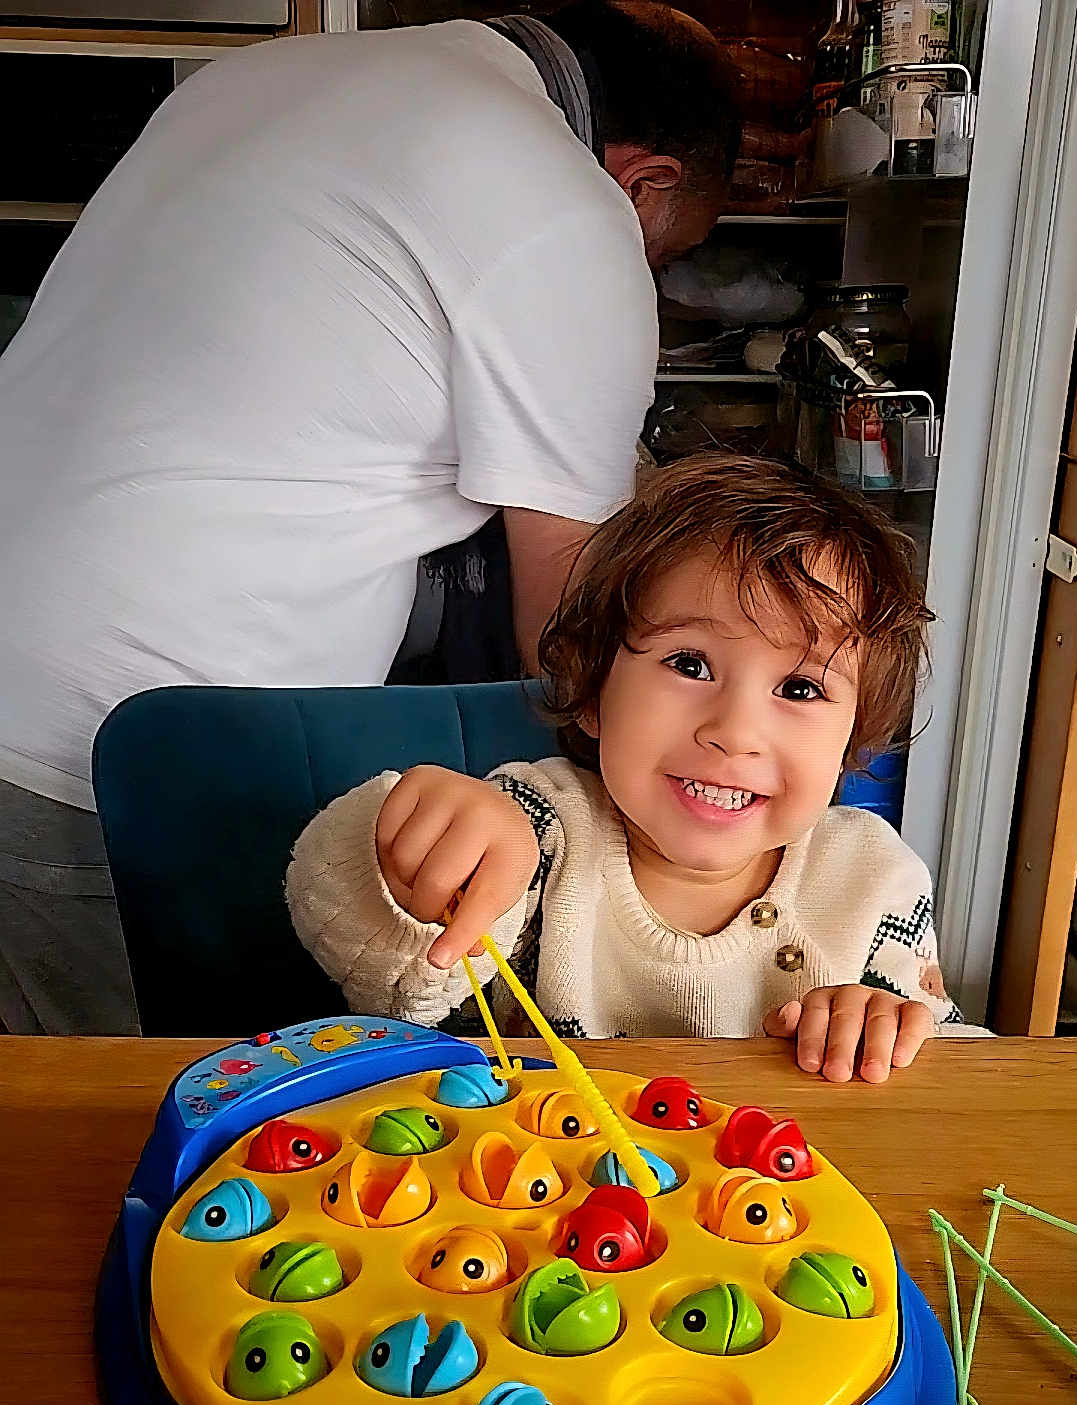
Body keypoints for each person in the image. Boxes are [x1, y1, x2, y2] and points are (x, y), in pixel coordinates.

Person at [0, 1, 738, 1035]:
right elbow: (570, 625)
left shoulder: (264, 78)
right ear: (643, 182)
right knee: (139, 1112)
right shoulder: (563, 205)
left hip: (31, 654)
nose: (644, 273)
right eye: (663, 253)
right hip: (104, 745)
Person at [286, 454, 980, 1083]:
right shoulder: (533, 833)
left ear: (853, 736)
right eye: (690, 664)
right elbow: (392, 982)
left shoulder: (872, 879)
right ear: (593, 691)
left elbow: (956, 1074)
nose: (734, 733)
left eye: (800, 688)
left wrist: (886, 1029)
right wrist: (403, 860)